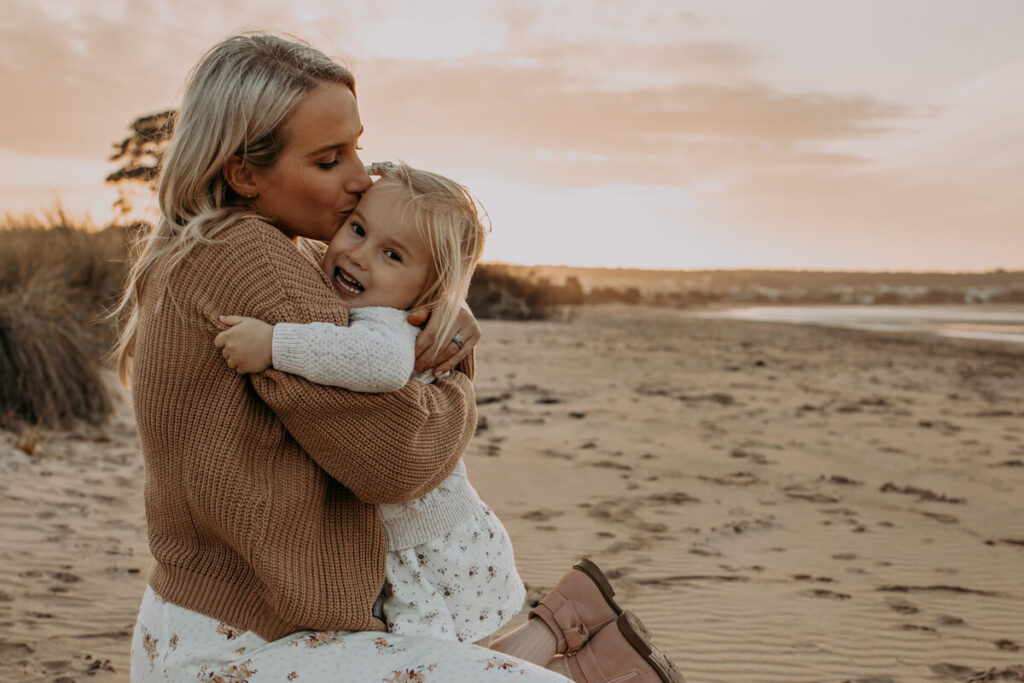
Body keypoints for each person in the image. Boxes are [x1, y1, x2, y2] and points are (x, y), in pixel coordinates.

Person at [115, 33, 681, 682]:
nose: (360, 177)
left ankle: (567, 641)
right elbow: (398, 459)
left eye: (357, 145)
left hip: (200, 624)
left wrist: (427, 314)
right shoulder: (253, 260)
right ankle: (571, 651)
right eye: (330, 159)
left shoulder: (217, 247)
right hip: (250, 649)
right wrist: (454, 378)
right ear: (243, 172)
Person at [212, 162, 527, 645]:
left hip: (433, 548)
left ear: (429, 288)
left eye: (392, 255)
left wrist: (275, 344)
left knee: (439, 663)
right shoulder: (356, 287)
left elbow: (378, 363)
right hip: (406, 542)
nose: (358, 256)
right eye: (357, 228)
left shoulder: (388, 325)